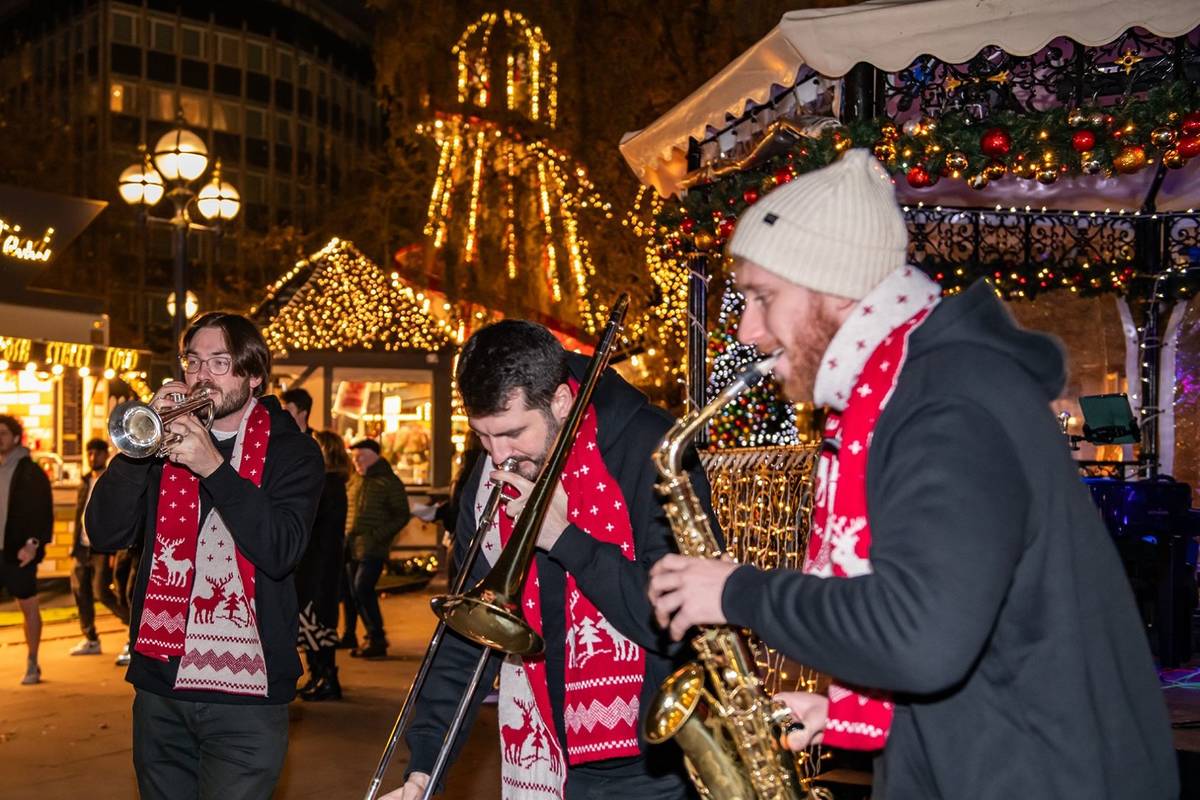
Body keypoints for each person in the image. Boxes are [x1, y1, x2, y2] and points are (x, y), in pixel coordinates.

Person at [646, 149, 1178, 798]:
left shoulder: (946, 402)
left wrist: (738, 593)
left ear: (835, 291)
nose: (748, 329)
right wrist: (861, 713)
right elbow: (972, 628)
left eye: (762, 297)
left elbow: (922, 637)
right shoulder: (911, 390)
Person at [385, 319, 711, 800]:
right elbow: (470, 627)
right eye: (483, 437)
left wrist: (563, 537)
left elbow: (676, 619)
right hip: (545, 753)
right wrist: (423, 770)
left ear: (561, 401)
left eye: (513, 433)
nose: (498, 457)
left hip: (655, 759)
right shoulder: (499, 465)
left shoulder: (650, 447)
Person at [85, 311, 324, 799]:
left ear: (254, 376)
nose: (201, 376)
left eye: (220, 362)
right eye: (193, 361)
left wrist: (213, 467)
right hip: (161, 685)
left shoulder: (292, 452)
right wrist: (137, 453)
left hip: (249, 698)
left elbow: (279, 551)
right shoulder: (163, 445)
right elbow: (104, 533)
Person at [295, 429, 350, 701]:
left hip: (319, 564)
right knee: (313, 622)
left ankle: (326, 677)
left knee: (316, 621)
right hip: (321, 562)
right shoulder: (334, 484)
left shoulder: (328, 485)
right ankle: (319, 675)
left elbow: (315, 525)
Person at [344, 438, 410, 659]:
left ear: (374, 457)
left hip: (373, 548)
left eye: (361, 457)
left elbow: (401, 514)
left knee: (362, 588)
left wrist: (377, 536)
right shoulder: (356, 480)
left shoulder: (388, 482)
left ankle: (377, 637)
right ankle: (371, 638)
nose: (357, 462)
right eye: (354, 458)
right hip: (353, 547)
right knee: (355, 592)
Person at [0, 414, 53, 685]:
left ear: (16, 437)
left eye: (4, 433)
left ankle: (32, 661)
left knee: (28, 604)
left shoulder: (29, 470)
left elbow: (42, 511)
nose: (0, 438)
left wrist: (32, 544)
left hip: (17, 552)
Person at [69, 437, 130, 656]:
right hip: (82, 547)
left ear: (105, 455)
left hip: (103, 547)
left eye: (97, 453)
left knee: (101, 591)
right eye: (89, 453)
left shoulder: (110, 479)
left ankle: (133, 627)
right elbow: (79, 514)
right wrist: (73, 544)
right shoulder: (85, 481)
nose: (92, 457)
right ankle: (90, 637)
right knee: (80, 591)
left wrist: (115, 550)